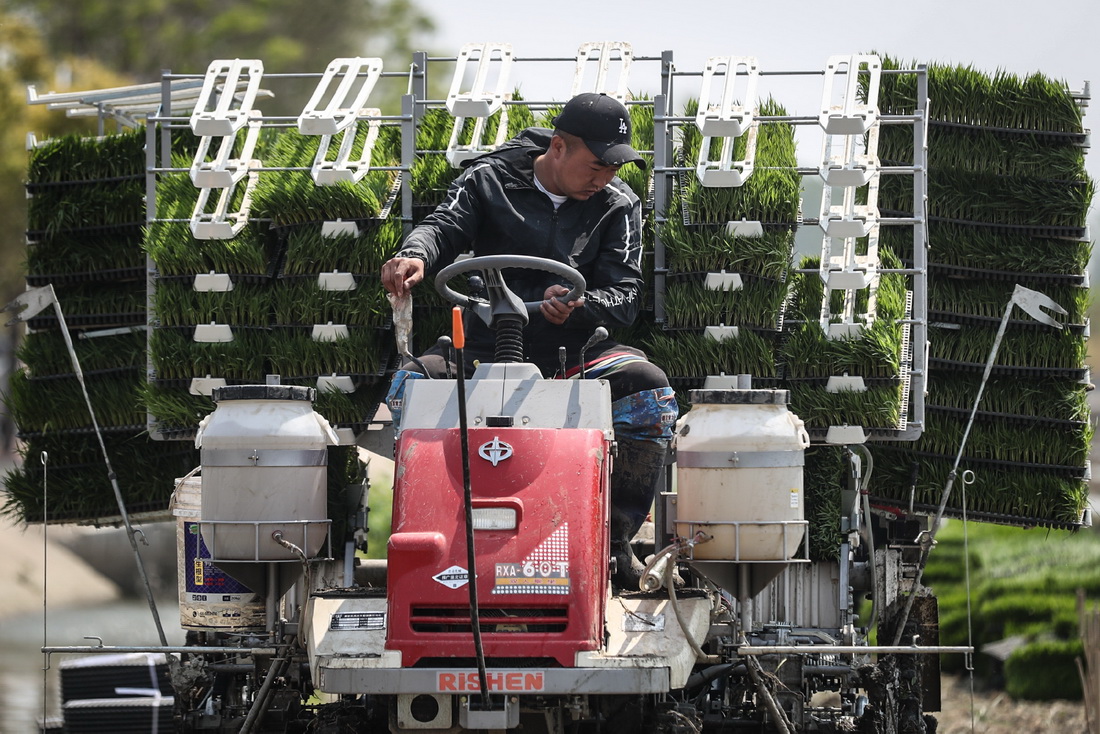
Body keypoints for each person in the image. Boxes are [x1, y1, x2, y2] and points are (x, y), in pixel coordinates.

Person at [380, 92, 677, 590]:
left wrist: (581, 305)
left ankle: (614, 542)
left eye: (613, 168)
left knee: (648, 392)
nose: (604, 177)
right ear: (558, 147)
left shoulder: (619, 204)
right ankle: (433, 537)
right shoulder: (488, 180)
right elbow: (441, 227)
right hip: (480, 348)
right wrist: (414, 255)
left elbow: (624, 295)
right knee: (409, 388)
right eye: (597, 165)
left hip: (575, 353)